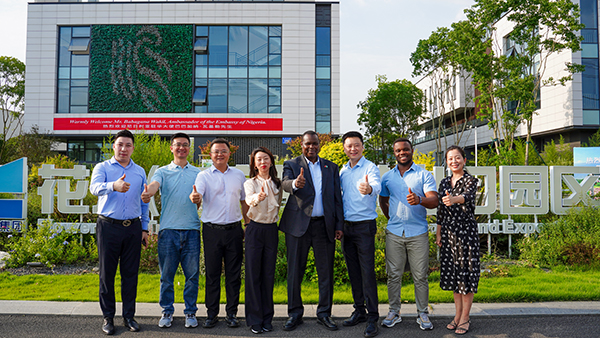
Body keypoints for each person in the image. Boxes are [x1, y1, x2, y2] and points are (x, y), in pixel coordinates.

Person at [279, 130, 344, 332]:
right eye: (308, 144)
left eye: (314, 144)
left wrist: (339, 225)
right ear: (302, 145)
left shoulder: (331, 167)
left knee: (325, 273)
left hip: (324, 226)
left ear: (319, 145)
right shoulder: (292, 164)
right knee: (294, 272)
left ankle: (324, 313)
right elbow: (285, 183)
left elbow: (336, 199)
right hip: (298, 226)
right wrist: (295, 184)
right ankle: (294, 314)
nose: (311, 147)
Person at [90, 129, 149, 335]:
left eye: (128, 145)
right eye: (120, 144)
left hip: (132, 227)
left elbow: (144, 201)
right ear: (113, 146)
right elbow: (94, 188)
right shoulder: (102, 167)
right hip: (108, 226)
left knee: (130, 274)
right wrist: (113, 185)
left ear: (133, 148)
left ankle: (129, 316)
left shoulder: (140, 171)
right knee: (107, 274)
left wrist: (144, 228)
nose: (124, 149)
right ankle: (108, 317)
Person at [140, 133, 201, 329]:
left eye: (185, 145)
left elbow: (203, 196)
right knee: (167, 275)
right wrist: (149, 192)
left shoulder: (198, 173)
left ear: (189, 148)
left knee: (192, 275)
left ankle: (190, 312)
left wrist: (199, 199)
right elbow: (154, 185)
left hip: (192, 229)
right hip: (168, 231)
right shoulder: (162, 171)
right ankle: (167, 311)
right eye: (178, 145)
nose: (181, 148)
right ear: (171, 148)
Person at [379, 137, 438, 331]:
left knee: (420, 276)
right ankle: (394, 312)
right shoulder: (387, 177)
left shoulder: (424, 175)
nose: (402, 153)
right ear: (394, 153)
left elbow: (434, 200)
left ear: (412, 150)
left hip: (418, 233)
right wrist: (391, 218)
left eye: (405, 149)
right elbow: (383, 199)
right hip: (394, 232)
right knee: (393, 275)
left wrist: (419, 199)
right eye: (398, 151)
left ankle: (422, 313)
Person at [189, 138, 249, 329]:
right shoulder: (203, 176)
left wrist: (247, 224)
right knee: (212, 275)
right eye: (216, 151)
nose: (220, 154)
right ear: (211, 154)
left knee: (234, 275)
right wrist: (195, 198)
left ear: (229, 154)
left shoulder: (239, 175)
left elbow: (244, 201)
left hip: (234, 230)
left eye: (223, 151)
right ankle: (212, 314)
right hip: (212, 231)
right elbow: (197, 195)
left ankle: (232, 313)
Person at [339, 131, 381, 338]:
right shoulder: (343, 171)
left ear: (362, 147)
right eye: (349, 146)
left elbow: (377, 186)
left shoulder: (370, 167)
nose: (353, 149)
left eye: (356, 145)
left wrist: (369, 188)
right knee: (353, 271)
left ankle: (373, 316)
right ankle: (360, 311)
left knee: (367, 272)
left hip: (364, 226)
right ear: (344, 148)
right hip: (347, 227)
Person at [435, 145, 480, 335]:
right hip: (448, 233)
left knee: (466, 275)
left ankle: (465, 317)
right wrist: (438, 233)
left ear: (464, 160)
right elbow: (440, 211)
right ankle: (457, 314)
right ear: (446, 162)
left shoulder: (471, 180)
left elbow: (468, 197)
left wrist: (454, 199)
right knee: (455, 275)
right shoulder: (444, 182)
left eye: (457, 158)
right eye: (450, 158)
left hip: (466, 233)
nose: (454, 161)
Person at [243, 147, 283, 334]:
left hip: (271, 230)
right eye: (258, 159)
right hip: (255, 229)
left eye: (265, 158)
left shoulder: (277, 183)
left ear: (271, 161)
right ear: (254, 164)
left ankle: (268, 318)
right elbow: (249, 198)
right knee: (253, 275)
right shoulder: (250, 183)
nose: (262, 162)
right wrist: (256, 198)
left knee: (268, 275)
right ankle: (254, 319)